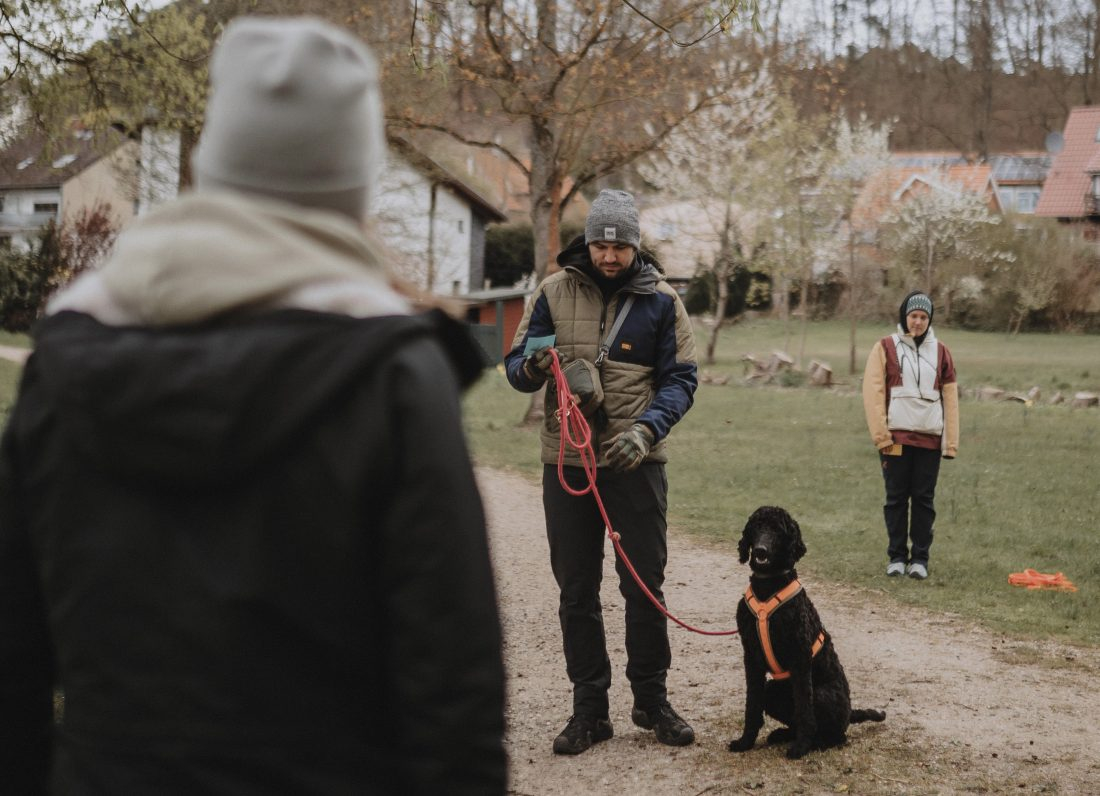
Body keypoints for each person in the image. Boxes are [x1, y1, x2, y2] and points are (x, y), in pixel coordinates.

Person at [0, 17, 505, 795]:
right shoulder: (393, 375)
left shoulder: (64, 362)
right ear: (352, 180)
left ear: (215, 163)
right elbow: (454, 686)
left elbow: (14, 656)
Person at [505, 189, 699, 755]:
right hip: (567, 461)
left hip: (636, 462)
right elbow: (516, 367)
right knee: (576, 591)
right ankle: (589, 709)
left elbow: (682, 379)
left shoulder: (663, 302)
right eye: (599, 244)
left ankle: (652, 700)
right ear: (586, 242)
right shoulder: (552, 292)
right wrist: (536, 364)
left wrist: (647, 430)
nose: (608, 256)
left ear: (634, 245)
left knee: (644, 586)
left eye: (618, 246)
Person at [861, 290, 959, 581]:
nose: (918, 322)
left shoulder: (942, 352)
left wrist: (950, 443)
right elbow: (873, 393)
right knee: (896, 499)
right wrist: (881, 435)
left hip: (929, 441)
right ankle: (896, 557)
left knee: (924, 500)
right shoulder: (884, 347)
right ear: (905, 316)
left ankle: (920, 559)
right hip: (895, 440)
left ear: (929, 320)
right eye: (913, 316)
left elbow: (950, 398)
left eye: (923, 317)